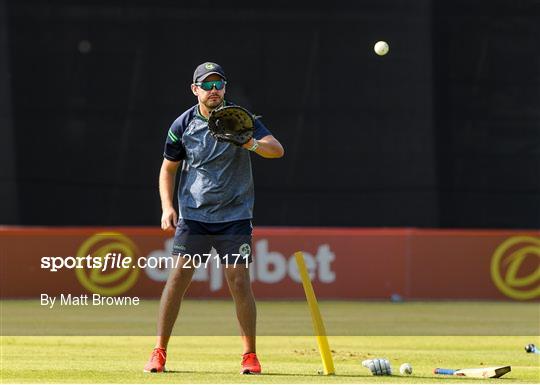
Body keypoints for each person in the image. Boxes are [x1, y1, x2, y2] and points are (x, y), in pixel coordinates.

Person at [144, 62, 284, 375]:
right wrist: (167, 207)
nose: (213, 90)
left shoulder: (241, 117)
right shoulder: (182, 124)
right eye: (206, 85)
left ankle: (249, 355)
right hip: (194, 216)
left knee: (238, 281)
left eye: (218, 84)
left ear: (224, 88)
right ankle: (159, 351)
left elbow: (276, 150)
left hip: (234, 215)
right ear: (195, 90)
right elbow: (168, 169)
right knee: (178, 279)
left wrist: (251, 143)